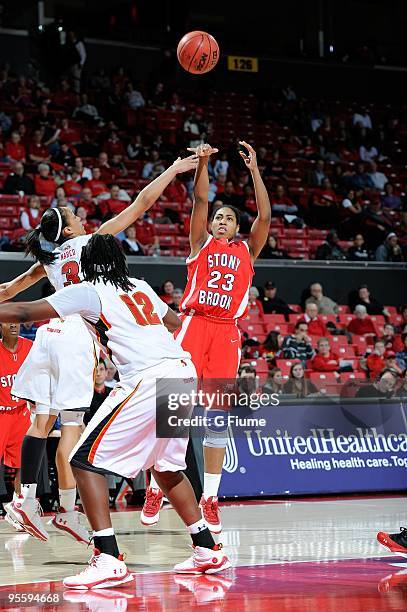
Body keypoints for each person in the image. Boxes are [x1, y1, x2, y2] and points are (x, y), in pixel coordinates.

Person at [0, 234, 231, 587]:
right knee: (167, 469)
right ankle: (207, 549)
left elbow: (23, 311)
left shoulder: (88, 289)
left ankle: (108, 557)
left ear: (89, 265)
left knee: (82, 461)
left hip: (147, 377)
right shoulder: (138, 284)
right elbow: (174, 322)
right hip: (181, 374)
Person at [0, 154, 199, 543]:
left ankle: (32, 501)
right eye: (75, 215)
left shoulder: (50, 260)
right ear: (76, 234)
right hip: (166, 363)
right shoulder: (122, 272)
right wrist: (174, 170)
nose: (81, 217)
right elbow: (142, 203)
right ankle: (177, 527)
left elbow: (11, 297)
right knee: (118, 452)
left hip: (64, 333)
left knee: (50, 427)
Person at [140, 141, 271, 533]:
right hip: (193, 324)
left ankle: (210, 496)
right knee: (171, 410)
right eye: (218, 217)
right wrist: (202, 166)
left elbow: (265, 214)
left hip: (227, 334)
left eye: (228, 218)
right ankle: (154, 487)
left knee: (217, 418)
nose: (221, 221)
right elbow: (199, 201)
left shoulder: (249, 250)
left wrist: (254, 170)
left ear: (237, 226)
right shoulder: (201, 245)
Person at [0, 323, 32, 528]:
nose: (13, 324)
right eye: (7, 320)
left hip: (21, 411)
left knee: (24, 462)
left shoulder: (30, 347)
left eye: (16, 319)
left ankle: (17, 506)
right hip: (1, 412)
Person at [86, 358, 110, 423]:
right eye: (95, 370)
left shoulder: (114, 393)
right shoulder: (85, 395)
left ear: (107, 372)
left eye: (101, 369)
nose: (98, 373)